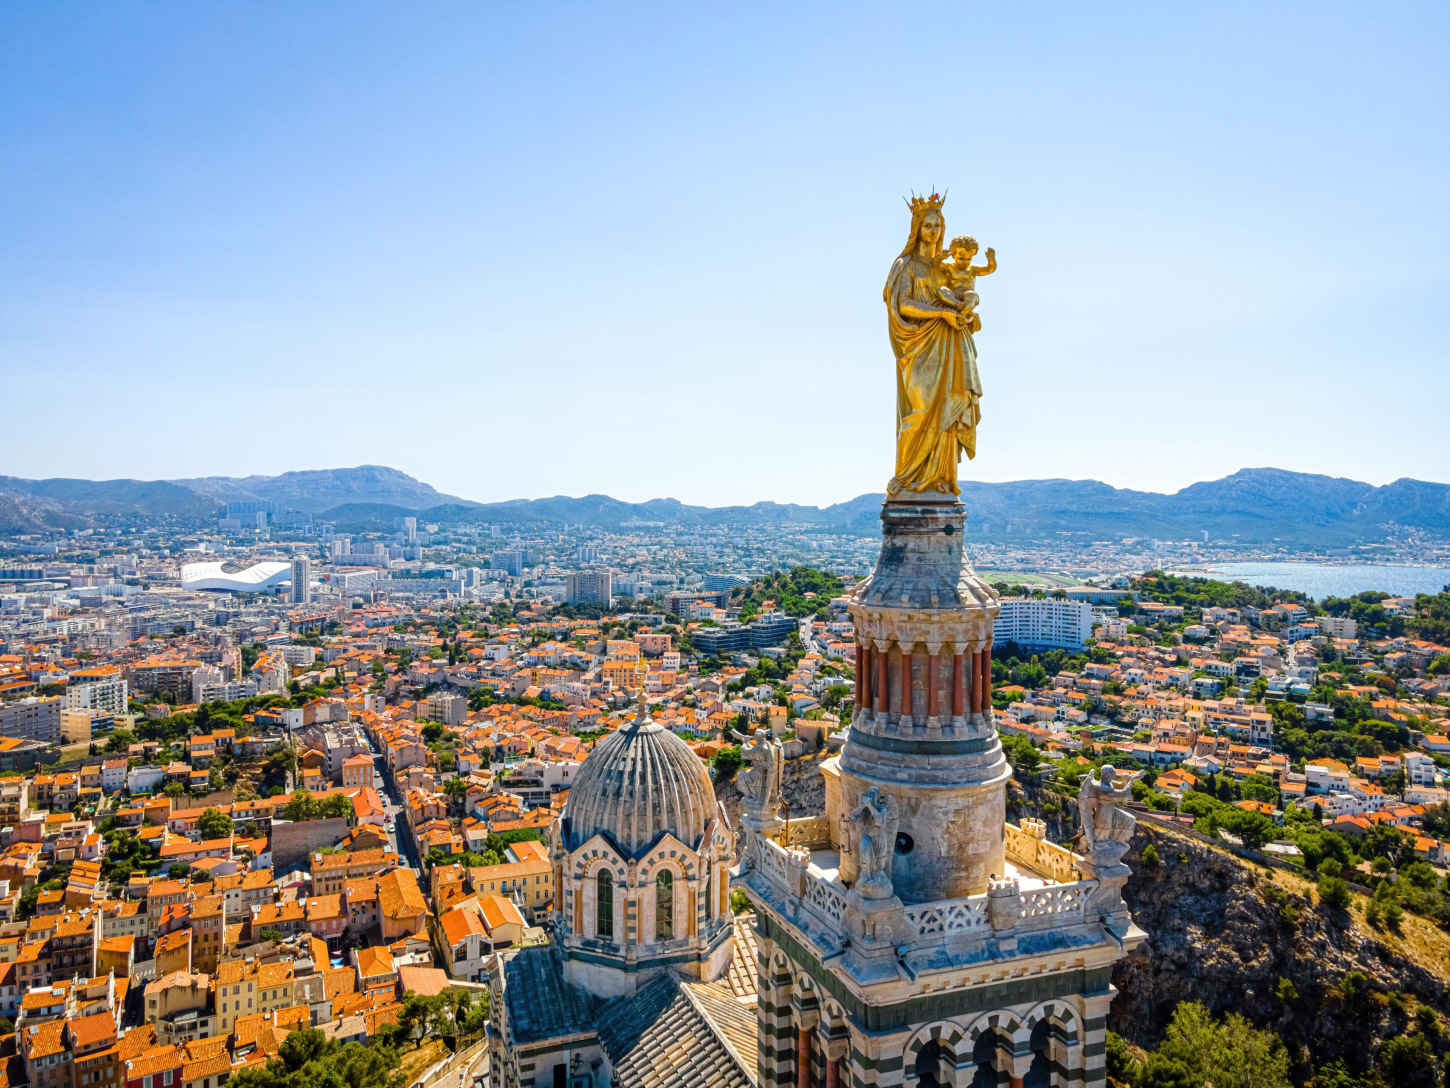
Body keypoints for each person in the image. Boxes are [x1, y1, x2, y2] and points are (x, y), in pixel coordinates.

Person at [884, 193, 983, 497]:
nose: (933, 231)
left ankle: (940, 480)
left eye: (937, 225)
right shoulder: (906, 265)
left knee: (947, 413)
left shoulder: (946, 267)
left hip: (950, 342)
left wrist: (968, 314)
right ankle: (905, 479)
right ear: (917, 228)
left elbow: (962, 296)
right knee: (920, 410)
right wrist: (941, 313)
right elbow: (902, 304)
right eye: (927, 225)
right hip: (920, 345)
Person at [938, 235, 997, 333]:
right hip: (953, 296)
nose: (965, 262)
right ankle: (957, 305)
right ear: (953, 255)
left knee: (972, 296)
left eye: (969, 259)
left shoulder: (972, 269)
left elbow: (989, 269)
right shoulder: (949, 267)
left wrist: (991, 260)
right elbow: (935, 265)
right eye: (961, 258)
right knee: (942, 290)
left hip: (967, 295)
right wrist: (941, 257)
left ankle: (962, 315)